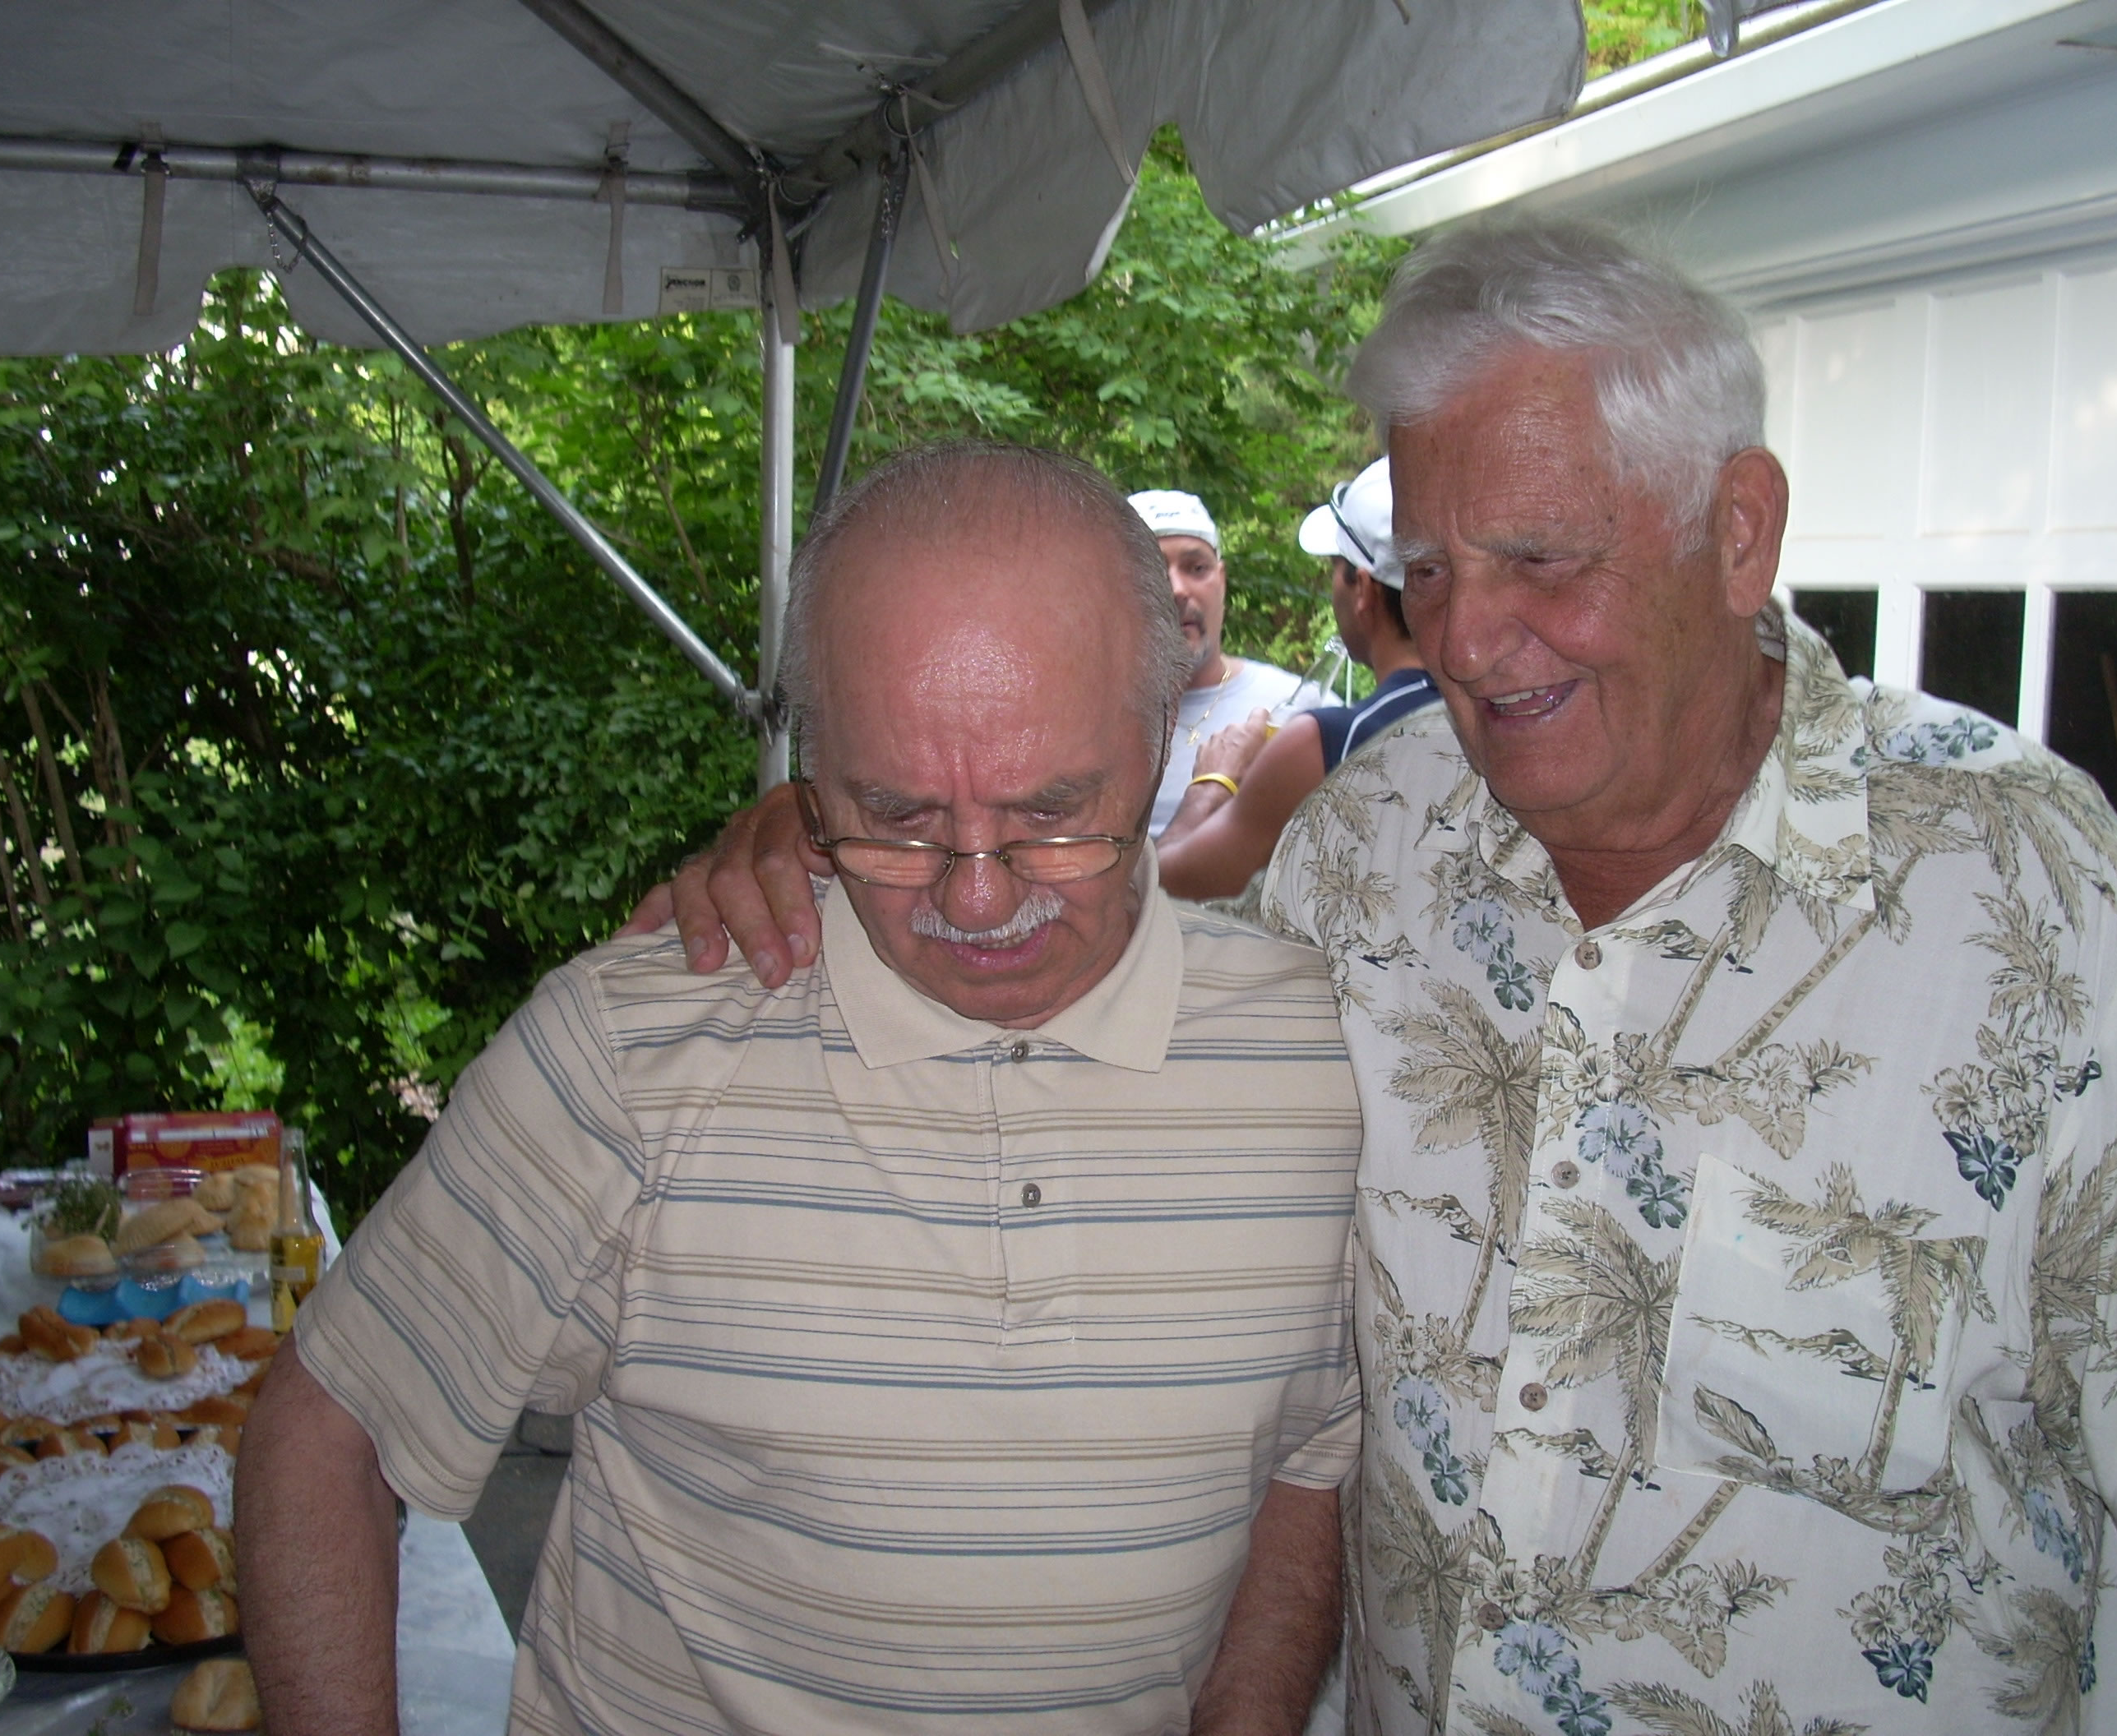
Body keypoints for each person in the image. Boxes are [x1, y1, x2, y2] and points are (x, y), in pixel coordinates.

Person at [632, 222, 2117, 1736]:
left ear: (1738, 533)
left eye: (1541, 561)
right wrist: (850, 829)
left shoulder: (2027, 902)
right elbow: (1068, 988)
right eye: (1428, 569)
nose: (1469, 641)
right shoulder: (1369, 853)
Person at [235, 443, 1364, 1736]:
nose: (975, 896)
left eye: (1054, 813)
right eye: (898, 818)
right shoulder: (636, 1054)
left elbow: (1308, 1456)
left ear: (1162, 730)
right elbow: (326, 1434)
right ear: (809, 775)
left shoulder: (1315, 1058)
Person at [1156, 458, 1442, 901]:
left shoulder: (1326, 741)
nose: (1177, 589)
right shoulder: (1500, 708)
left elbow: (1164, 886)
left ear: (1363, 590)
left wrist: (1214, 783)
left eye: (1333, 568)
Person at [1125, 488, 1322, 836]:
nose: (1177, 589)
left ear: (1222, 581)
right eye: (1153, 571)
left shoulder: (1298, 710)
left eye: (1196, 568)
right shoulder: (1082, 721)